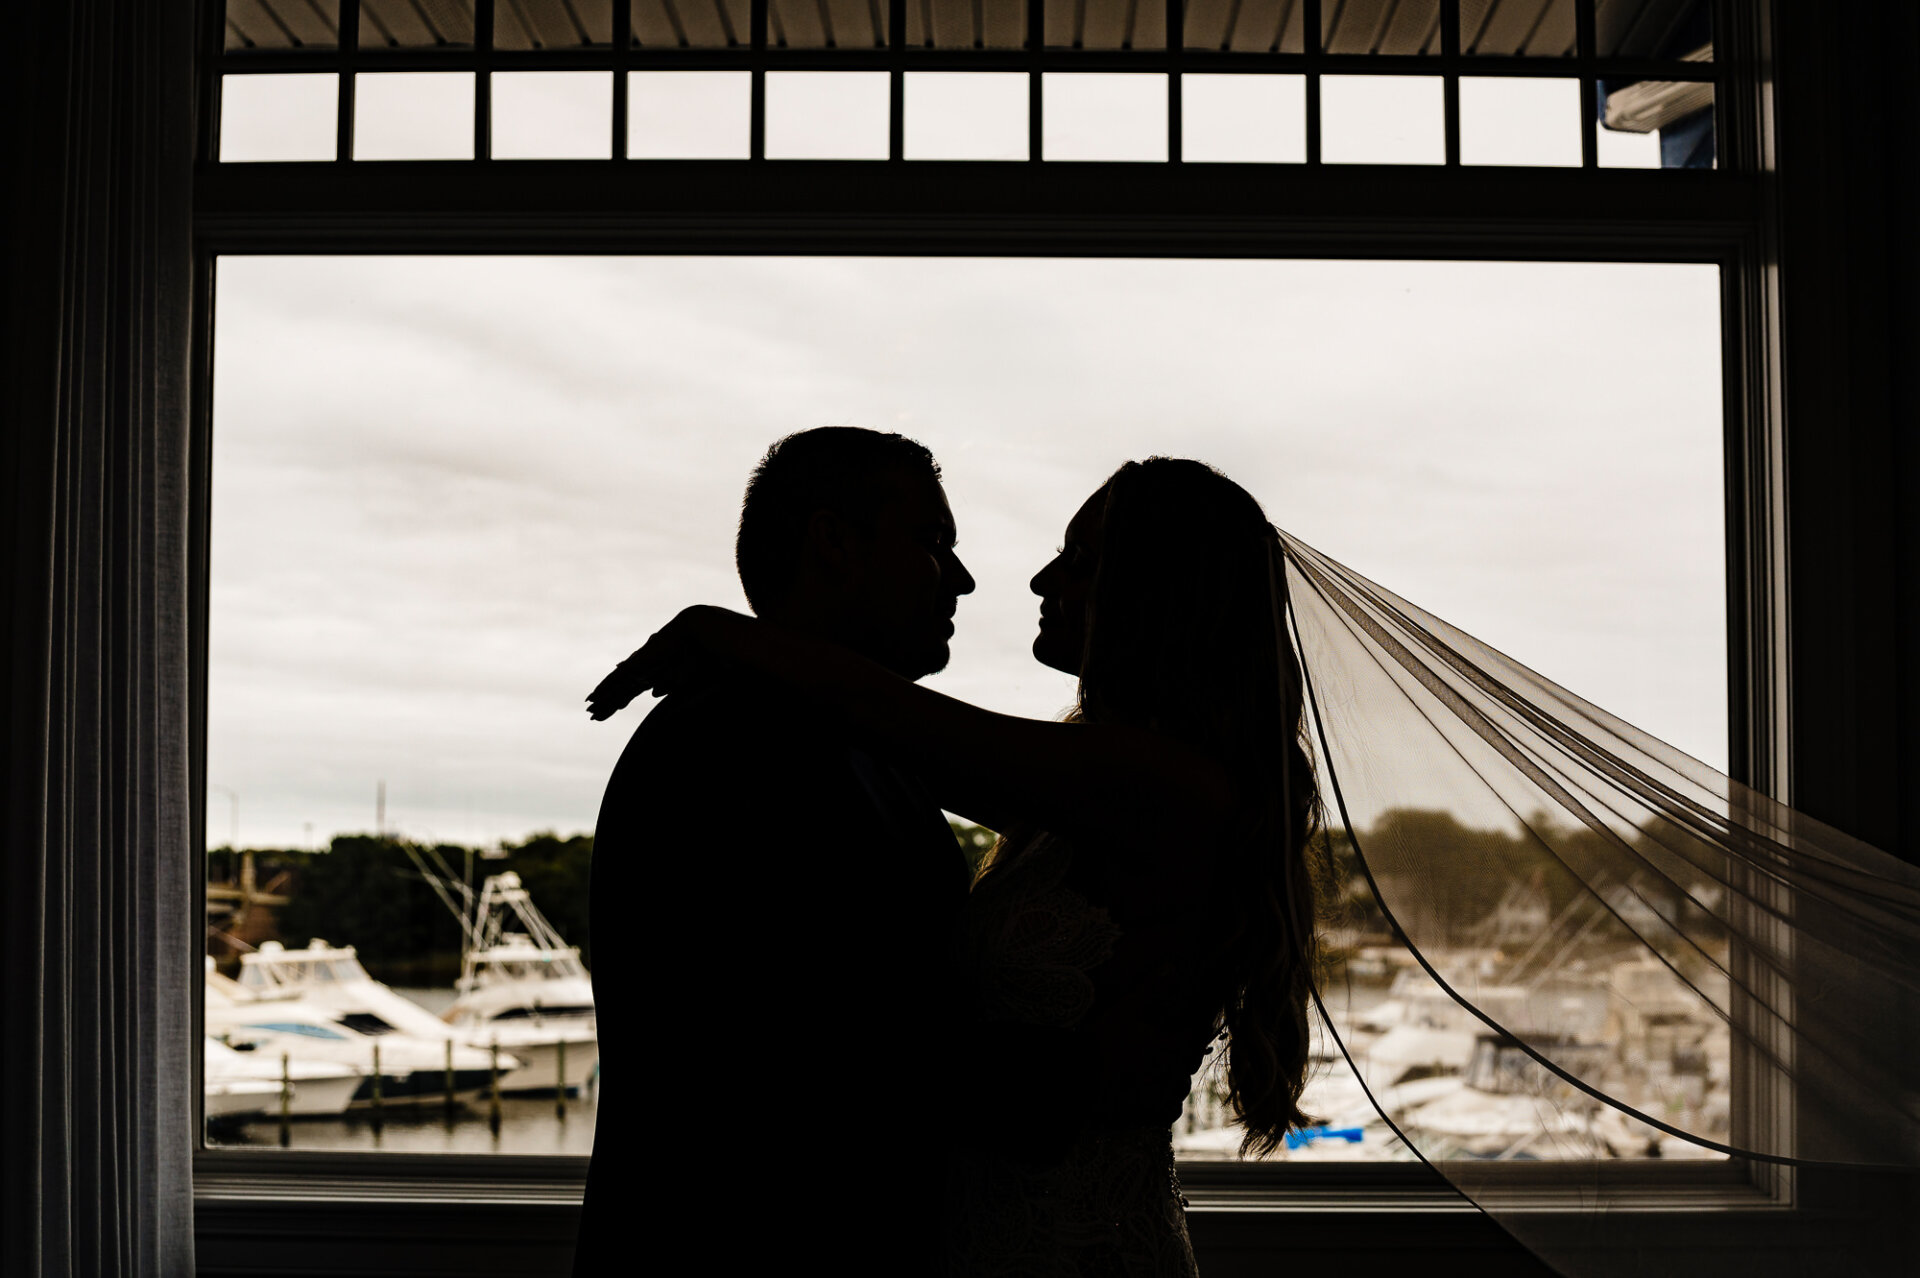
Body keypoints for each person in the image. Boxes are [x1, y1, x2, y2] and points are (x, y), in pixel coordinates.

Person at [590, 457, 1327, 1276]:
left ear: (1163, 597)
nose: (1033, 578)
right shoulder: (740, 744)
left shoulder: (1158, 781)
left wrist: (723, 630)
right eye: (938, 543)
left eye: (1080, 563)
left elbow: (911, 728)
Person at [572, 427, 979, 1276]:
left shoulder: (864, 742)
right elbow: (808, 1065)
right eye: (933, 543)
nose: (964, 579)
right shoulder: (734, 741)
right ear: (834, 542)